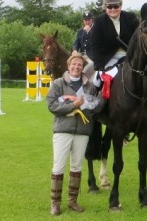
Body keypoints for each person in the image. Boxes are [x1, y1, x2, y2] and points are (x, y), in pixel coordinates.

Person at [90, 0, 147, 116]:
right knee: (96, 79)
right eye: (109, 7)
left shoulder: (130, 18)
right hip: (107, 59)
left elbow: (139, 40)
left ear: (121, 5)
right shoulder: (99, 21)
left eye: (116, 6)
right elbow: (95, 46)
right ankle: (95, 105)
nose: (113, 9)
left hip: (128, 56)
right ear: (105, 7)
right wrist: (100, 66)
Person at [47, 52, 101, 216]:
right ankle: (55, 203)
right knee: (59, 166)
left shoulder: (90, 86)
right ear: (68, 66)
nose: (76, 67)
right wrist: (73, 106)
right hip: (63, 129)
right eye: (74, 64)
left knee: (77, 166)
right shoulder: (58, 83)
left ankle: (72, 201)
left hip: (83, 131)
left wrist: (93, 106)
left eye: (79, 65)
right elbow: (51, 105)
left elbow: (94, 106)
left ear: (82, 67)